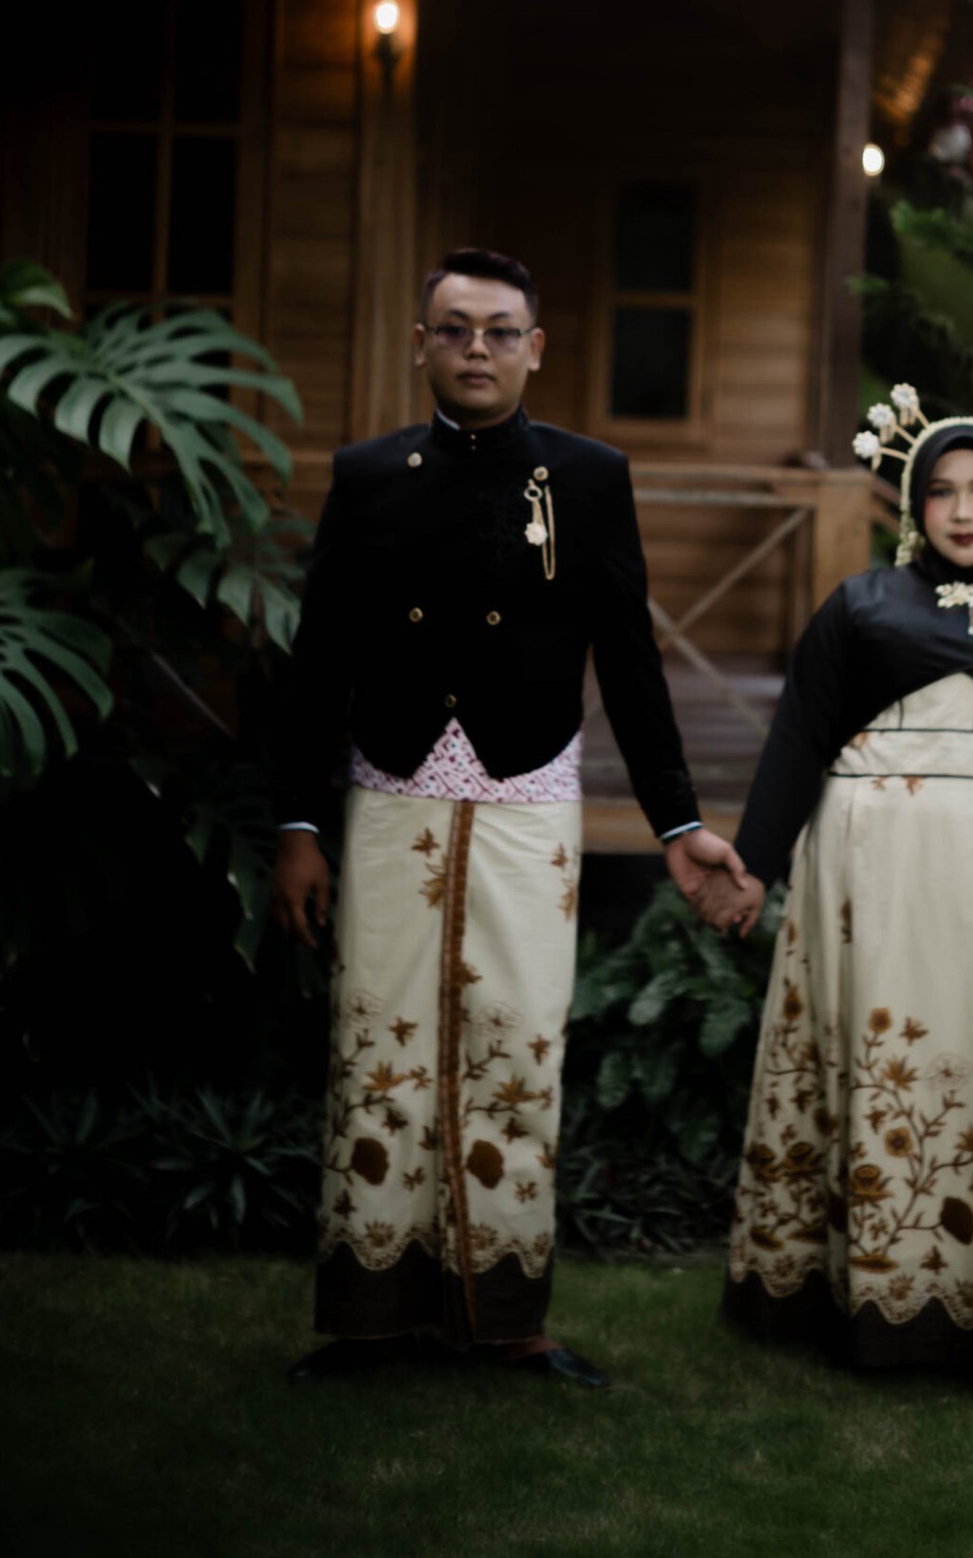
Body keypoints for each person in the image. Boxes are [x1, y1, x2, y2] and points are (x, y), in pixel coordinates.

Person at [270, 247, 747, 1389]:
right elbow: (317, 663)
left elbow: (629, 660)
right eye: (453, 328)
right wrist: (297, 824)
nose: (474, 348)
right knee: (379, 1045)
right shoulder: (368, 474)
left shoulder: (588, 476)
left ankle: (508, 1320)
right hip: (391, 795)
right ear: (421, 344)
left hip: (531, 800)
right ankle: (370, 1319)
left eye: (497, 330)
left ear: (534, 347)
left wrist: (677, 822)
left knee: (519, 1046)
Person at [696, 394, 973, 1386]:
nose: (963, 511)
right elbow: (797, 741)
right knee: (880, 1057)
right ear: (911, 504)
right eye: (940, 491)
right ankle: (868, 1291)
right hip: (875, 892)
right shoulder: (857, 607)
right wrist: (751, 866)